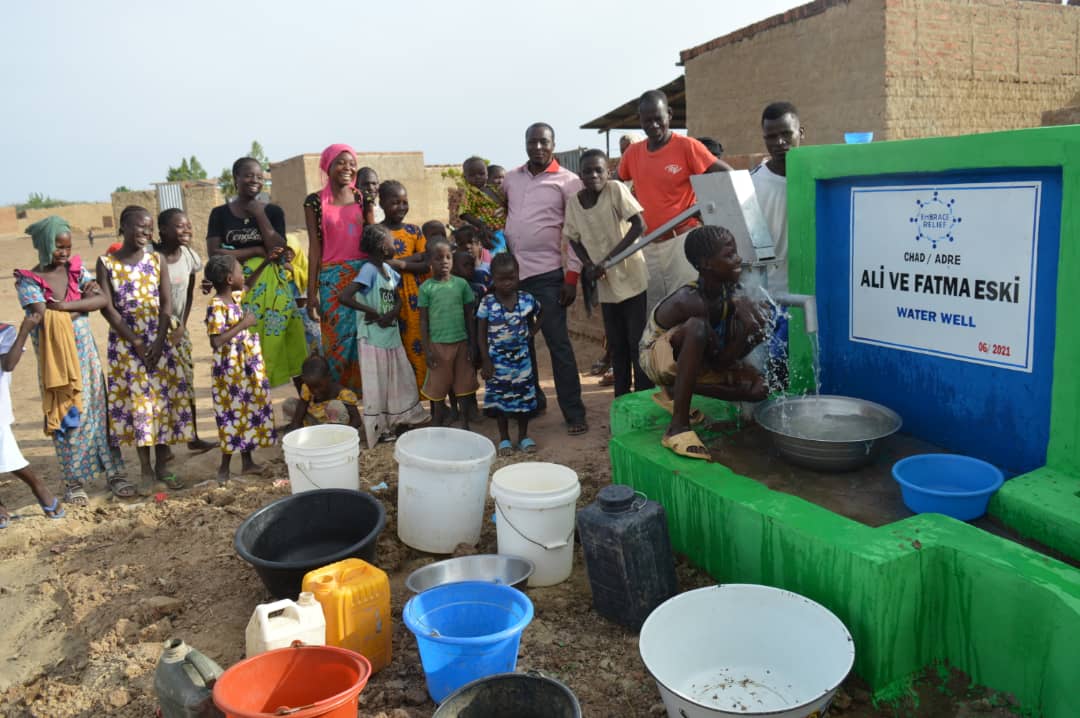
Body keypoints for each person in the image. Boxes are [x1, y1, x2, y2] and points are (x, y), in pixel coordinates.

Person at [16, 216, 126, 502]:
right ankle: (73, 482)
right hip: (57, 361)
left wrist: (64, 305)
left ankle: (115, 473)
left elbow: (101, 301)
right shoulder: (28, 281)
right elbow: (44, 315)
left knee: (99, 414)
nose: (64, 253)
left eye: (67, 247)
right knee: (67, 415)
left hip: (87, 357)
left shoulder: (76, 271)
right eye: (58, 248)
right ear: (43, 245)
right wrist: (81, 305)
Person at [639, 226, 770, 461]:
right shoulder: (689, 301)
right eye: (729, 255)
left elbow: (723, 358)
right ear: (706, 263)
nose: (738, 259)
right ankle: (677, 427)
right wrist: (743, 333)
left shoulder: (727, 291)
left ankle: (676, 389)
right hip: (656, 358)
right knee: (697, 328)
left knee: (759, 389)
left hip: (701, 358)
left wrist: (755, 329)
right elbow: (719, 363)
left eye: (736, 253)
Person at [97, 206, 193, 494]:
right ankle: (146, 470)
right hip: (127, 346)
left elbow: (166, 304)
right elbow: (108, 309)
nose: (146, 234)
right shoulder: (107, 263)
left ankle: (164, 466)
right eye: (140, 227)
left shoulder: (157, 259)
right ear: (124, 227)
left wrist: (160, 340)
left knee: (161, 405)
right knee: (140, 407)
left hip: (158, 341)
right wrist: (137, 342)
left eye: (149, 229)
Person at [502, 122, 588, 435]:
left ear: (553, 144)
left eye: (543, 142)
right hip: (514, 279)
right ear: (525, 143)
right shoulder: (511, 179)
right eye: (532, 142)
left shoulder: (569, 181)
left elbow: (578, 232)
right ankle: (533, 402)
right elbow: (503, 215)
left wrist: (571, 278)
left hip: (550, 277)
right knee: (522, 345)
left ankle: (574, 413)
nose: (537, 147)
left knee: (558, 345)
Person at [618, 90, 732, 311]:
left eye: (658, 118)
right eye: (646, 120)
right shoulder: (633, 153)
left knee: (688, 306)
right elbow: (614, 185)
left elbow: (724, 173)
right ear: (639, 120)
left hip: (682, 241)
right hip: (648, 245)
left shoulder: (687, 146)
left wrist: (712, 212)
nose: (653, 125)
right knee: (656, 312)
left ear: (669, 114)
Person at [207, 157, 306, 387]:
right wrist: (255, 250)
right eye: (249, 175)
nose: (255, 180)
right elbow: (214, 253)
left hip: (273, 285)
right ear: (235, 179)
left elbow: (278, 250)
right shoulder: (220, 214)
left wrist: (259, 214)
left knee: (289, 342)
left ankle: (304, 406)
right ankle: (256, 407)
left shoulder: (273, 212)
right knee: (248, 345)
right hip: (238, 287)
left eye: (260, 177)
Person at [564, 149, 653, 397]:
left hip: (631, 274)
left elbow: (639, 225)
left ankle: (644, 397)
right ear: (580, 174)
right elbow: (573, 238)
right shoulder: (575, 203)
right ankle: (622, 398)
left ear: (608, 172)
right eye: (587, 171)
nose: (593, 175)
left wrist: (608, 260)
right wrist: (589, 264)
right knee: (616, 343)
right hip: (605, 281)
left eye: (598, 170)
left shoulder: (615, 190)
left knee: (637, 340)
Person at [339, 224, 426, 447]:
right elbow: (345, 296)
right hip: (372, 340)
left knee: (397, 380)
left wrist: (392, 314)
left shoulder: (389, 271)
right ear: (381, 246)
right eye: (390, 240)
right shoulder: (368, 270)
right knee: (377, 384)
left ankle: (399, 421)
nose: (394, 244)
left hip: (390, 335)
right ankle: (380, 429)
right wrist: (373, 312)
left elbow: (397, 298)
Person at [303, 144, 373, 394]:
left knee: (365, 339)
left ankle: (368, 397)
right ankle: (341, 398)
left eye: (352, 163)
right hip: (331, 280)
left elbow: (373, 237)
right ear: (328, 166)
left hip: (363, 277)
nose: (348, 168)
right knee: (336, 343)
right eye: (341, 162)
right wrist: (312, 295)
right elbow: (314, 248)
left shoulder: (362, 198)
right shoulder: (314, 202)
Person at [204, 253, 278, 481]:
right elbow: (216, 341)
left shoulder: (234, 297)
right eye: (238, 271)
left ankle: (247, 462)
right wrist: (244, 324)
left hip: (246, 366)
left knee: (248, 410)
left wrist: (266, 261)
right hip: (230, 371)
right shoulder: (216, 305)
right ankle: (224, 468)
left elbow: (248, 284)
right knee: (231, 414)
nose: (242, 274)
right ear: (228, 279)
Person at [751, 101, 804, 389]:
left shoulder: (816, 177)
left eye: (786, 134)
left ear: (801, 133)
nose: (780, 143)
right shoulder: (754, 185)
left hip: (811, 290)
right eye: (771, 137)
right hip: (772, 296)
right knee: (776, 370)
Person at [157, 209, 216, 455]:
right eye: (180, 226)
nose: (187, 231)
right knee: (160, 388)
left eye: (188, 226)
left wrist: (182, 324)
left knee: (186, 383)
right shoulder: (151, 258)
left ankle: (192, 435)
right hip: (154, 329)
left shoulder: (190, 257)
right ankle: (163, 444)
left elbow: (189, 293)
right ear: (163, 231)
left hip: (177, 329)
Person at [0, 315, 63, 524]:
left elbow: (8, 364)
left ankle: (39, 487)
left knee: (7, 452)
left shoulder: (3, 332)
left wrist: (24, 331)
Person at [478, 253, 542, 456]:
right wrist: (485, 360)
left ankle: (523, 436)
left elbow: (542, 313)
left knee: (524, 398)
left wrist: (532, 332)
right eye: (501, 279)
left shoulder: (526, 299)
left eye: (511, 278)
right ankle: (504, 438)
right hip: (497, 362)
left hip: (522, 361)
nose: (506, 283)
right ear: (493, 278)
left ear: (518, 276)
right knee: (500, 399)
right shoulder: (487, 302)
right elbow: (480, 332)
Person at [419, 239, 478, 429]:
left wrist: (472, 344)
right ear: (429, 261)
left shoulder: (461, 285)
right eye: (438, 258)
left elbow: (470, 316)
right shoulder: (426, 288)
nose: (444, 262)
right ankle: (437, 420)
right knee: (438, 384)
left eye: (448, 257)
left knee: (463, 384)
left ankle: (465, 422)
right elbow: (423, 320)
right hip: (438, 344)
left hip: (460, 342)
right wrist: (427, 349)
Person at [379, 180, 429, 389]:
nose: (401, 207)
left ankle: (425, 395)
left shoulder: (414, 231)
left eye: (405, 202)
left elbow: (427, 263)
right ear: (381, 203)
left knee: (417, 345)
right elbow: (379, 265)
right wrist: (413, 259)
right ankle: (404, 402)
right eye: (395, 202)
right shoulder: (378, 232)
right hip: (387, 297)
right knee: (394, 347)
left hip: (414, 297)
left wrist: (399, 263)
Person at [282, 355, 361, 432]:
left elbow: (357, 421)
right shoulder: (306, 388)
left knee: (335, 406)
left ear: (329, 377)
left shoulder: (344, 394)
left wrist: (347, 433)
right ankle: (307, 430)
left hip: (335, 428)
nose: (315, 391)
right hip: (313, 423)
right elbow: (300, 410)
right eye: (310, 387)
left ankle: (333, 434)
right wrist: (295, 431)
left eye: (318, 386)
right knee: (289, 403)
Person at [458, 156, 507, 255]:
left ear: (487, 174)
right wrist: (481, 225)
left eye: (481, 173)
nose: (478, 177)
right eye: (472, 175)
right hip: (491, 232)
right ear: (465, 177)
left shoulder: (493, 189)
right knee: (499, 255)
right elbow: (464, 213)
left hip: (505, 229)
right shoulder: (470, 193)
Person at [453, 224, 491, 288]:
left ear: (480, 244)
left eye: (470, 242)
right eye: (462, 244)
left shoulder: (489, 269)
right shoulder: (454, 269)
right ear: (457, 248)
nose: (467, 246)